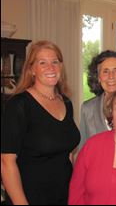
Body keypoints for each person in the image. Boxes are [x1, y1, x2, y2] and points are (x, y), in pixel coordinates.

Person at [1, 40, 80, 205]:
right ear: (31, 69)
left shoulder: (65, 102)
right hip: (30, 197)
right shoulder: (19, 105)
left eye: (55, 62)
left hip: (64, 195)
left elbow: (68, 153)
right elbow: (6, 162)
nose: (50, 68)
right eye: (42, 62)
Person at [78, 50, 116, 150]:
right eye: (105, 71)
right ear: (98, 77)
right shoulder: (87, 109)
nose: (111, 76)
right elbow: (82, 150)